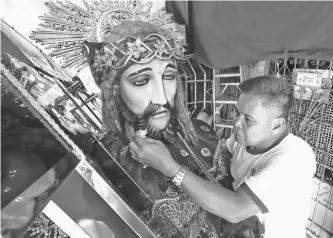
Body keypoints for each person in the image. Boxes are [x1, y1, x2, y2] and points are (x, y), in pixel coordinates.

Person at [80, 20, 223, 238]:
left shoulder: (201, 133)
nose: (162, 98)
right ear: (114, 92)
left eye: (168, 76)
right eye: (141, 80)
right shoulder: (106, 160)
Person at [130, 75, 317, 238]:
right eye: (237, 113)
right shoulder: (245, 140)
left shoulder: (294, 159)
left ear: (277, 125)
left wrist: (169, 167)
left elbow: (235, 209)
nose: (236, 123)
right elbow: (216, 158)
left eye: (248, 120)